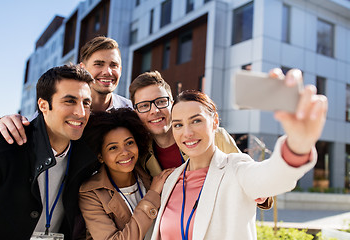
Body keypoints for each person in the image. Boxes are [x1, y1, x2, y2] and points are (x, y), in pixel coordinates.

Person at [151, 69, 328, 239]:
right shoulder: (171, 180)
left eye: (196, 121)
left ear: (214, 122)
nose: (187, 133)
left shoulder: (235, 169)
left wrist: (297, 146)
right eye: (178, 125)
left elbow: (273, 176)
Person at [129, 70, 271, 209]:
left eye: (160, 102)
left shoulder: (214, 136)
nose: (154, 110)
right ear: (136, 112)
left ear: (172, 104)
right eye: (144, 106)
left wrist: (259, 193)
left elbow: (252, 180)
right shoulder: (139, 153)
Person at [0, 65, 100, 239]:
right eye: (69, 101)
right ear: (43, 105)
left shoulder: (88, 159)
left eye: (86, 103)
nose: (81, 112)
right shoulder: (2, 146)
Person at [0, 36, 131, 145]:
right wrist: (2, 122)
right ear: (82, 68)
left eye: (114, 65)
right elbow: (31, 130)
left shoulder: (130, 110)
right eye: (99, 64)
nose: (107, 71)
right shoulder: (57, 109)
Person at [79, 109, 173, 240]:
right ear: (100, 156)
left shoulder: (151, 176)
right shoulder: (91, 193)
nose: (125, 152)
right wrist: (152, 195)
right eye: (113, 147)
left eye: (129, 143)